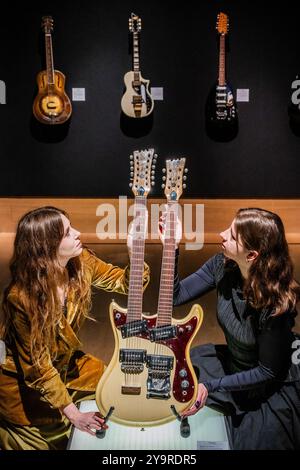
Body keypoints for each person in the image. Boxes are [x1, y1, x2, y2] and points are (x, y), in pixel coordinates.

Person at [0, 206, 150, 450]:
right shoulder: (21, 298)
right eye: (68, 233)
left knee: (112, 385)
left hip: (66, 364)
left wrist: (135, 253)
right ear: (45, 248)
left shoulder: (81, 262)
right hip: (23, 385)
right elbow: (38, 368)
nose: (79, 233)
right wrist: (73, 414)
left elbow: (125, 284)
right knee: (52, 437)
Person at [161, 207, 300, 450]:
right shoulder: (222, 265)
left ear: (251, 255)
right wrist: (171, 246)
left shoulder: (276, 305)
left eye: (233, 236)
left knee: (251, 442)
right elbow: (175, 296)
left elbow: (267, 372)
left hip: (268, 385)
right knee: (172, 380)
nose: (221, 235)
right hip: (235, 362)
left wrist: (212, 385)